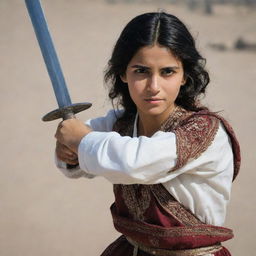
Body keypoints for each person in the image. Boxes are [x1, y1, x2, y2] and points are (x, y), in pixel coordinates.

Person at [54, 12, 241, 256]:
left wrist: (80, 140)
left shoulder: (206, 132)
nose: (154, 86)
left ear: (185, 75)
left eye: (167, 72)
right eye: (141, 71)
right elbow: (79, 159)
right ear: (123, 73)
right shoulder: (120, 124)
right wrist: (68, 151)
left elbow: (135, 163)